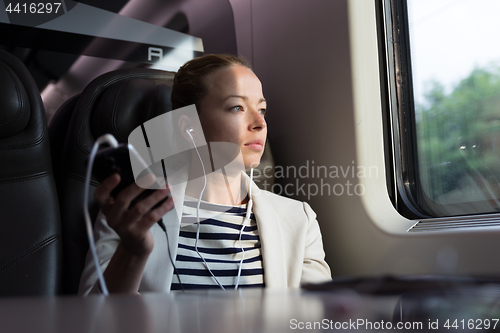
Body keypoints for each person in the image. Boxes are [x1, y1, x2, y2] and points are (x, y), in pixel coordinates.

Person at [79, 54, 331, 294]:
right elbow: (92, 321)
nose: (260, 123)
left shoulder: (298, 220)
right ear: (189, 127)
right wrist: (131, 253)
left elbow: (319, 319)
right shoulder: (131, 212)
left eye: (262, 110)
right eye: (237, 107)